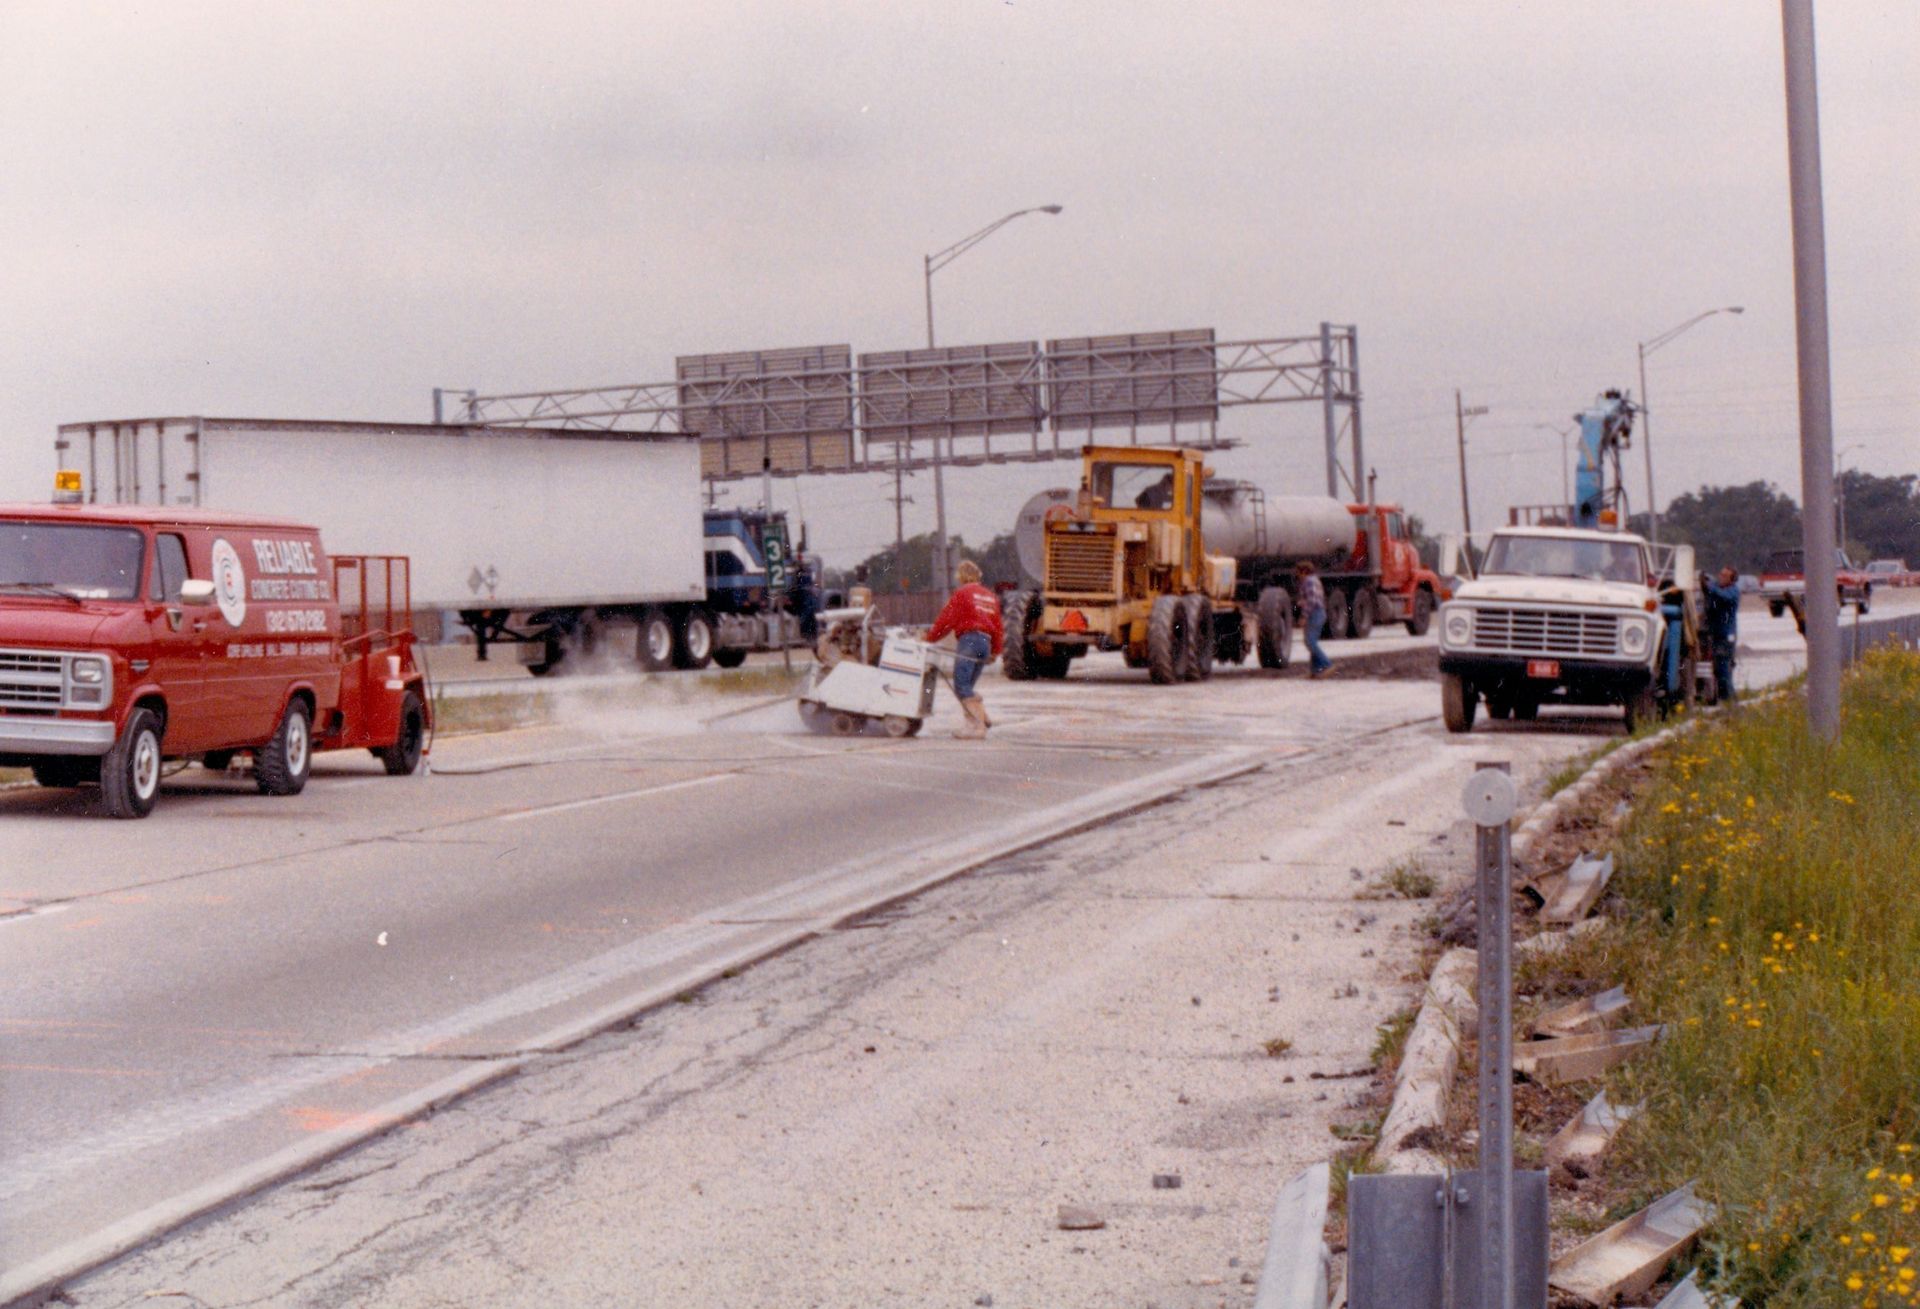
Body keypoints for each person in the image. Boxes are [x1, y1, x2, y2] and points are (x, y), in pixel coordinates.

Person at [927, 559, 1004, 739]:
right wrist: (995, 651)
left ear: (961, 576)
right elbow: (998, 627)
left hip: (969, 640)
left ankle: (977, 727)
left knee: (961, 686)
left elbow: (946, 620)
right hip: (985, 643)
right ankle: (980, 718)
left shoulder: (962, 593)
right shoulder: (990, 596)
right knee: (967, 686)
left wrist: (930, 638)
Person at [1702, 565, 1742, 703]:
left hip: (1727, 635)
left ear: (1732, 579)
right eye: (1721, 574)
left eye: (1725, 576)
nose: (1721, 578)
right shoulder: (1717, 589)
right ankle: (1724, 697)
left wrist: (1710, 586)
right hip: (1717, 633)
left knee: (1724, 667)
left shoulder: (1733, 591)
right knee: (1718, 669)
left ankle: (1730, 699)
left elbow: (1724, 596)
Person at [1296, 559, 1332, 678]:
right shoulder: (1314, 580)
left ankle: (1326, 664)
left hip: (1315, 613)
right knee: (1312, 642)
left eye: (1298, 573)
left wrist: (1304, 616)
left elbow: (1312, 601)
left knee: (1310, 641)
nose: (1298, 576)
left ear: (1304, 572)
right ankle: (1315, 671)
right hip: (1318, 612)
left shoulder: (1309, 581)